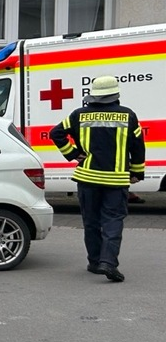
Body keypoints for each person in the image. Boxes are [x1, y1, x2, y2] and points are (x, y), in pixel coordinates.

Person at [49, 75, 146, 282]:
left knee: (91, 222)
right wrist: (137, 172)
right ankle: (108, 263)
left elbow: (55, 133)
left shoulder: (79, 114)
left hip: (87, 179)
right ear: (115, 95)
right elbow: (138, 146)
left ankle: (94, 262)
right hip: (115, 180)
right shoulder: (128, 115)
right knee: (112, 221)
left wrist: (73, 154)